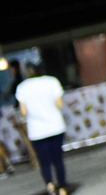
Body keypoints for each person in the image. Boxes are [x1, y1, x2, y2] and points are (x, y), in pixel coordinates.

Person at [15, 62, 68, 195]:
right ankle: (62, 188)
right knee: (58, 159)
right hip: (56, 126)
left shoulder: (22, 87)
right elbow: (60, 104)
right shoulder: (52, 81)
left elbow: (24, 112)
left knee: (44, 161)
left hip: (37, 129)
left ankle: (50, 186)